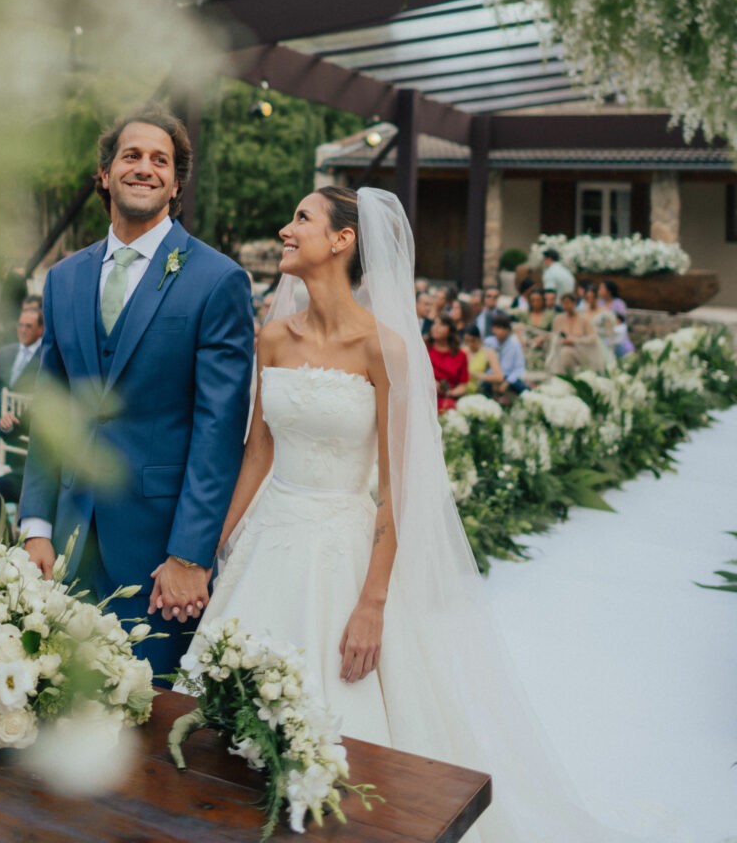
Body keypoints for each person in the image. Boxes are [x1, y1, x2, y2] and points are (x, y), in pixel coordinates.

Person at [196, 186, 637, 843]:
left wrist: (373, 603)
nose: (286, 230)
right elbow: (258, 451)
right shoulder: (275, 337)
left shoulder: (386, 349)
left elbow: (397, 490)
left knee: (346, 739)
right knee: (227, 737)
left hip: (343, 556)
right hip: (265, 546)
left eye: (302, 219)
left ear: (342, 241)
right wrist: (218, 549)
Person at [19, 107, 254, 680]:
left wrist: (190, 555)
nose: (144, 167)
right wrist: (36, 528)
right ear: (105, 174)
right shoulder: (64, 279)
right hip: (67, 547)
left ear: (176, 184)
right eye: (131, 155)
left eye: (160, 160)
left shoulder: (216, 280)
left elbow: (218, 430)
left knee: (149, 724)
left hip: (160, 557)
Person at [0, 297, 45, 524]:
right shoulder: (6, 352)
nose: (22, 331)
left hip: (27, 436)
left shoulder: (46, 358)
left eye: (29, 326)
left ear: (41, 329)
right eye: (20, 325)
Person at [547, 290, 608, 375]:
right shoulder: (558, 319)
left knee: (566, 352)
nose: (565, 306)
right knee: (565, 352)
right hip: (562, 350)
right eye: (563, 303)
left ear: (574, 303)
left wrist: (576, 340)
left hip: (582, 351)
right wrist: (563, 340)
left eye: (568, 303)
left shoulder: (583, 319)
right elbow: (554, 336)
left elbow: (593, 337)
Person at [425, 313, 470, 410]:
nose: (436, 327)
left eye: (441, 324)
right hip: (425, 396)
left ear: (450, 330)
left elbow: (463, 386)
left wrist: (450, 393)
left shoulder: (460, 355)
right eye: (435, 324)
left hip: (447, 398)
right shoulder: (424, 349)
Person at [483, 313, 529, 398]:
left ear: (508, 330)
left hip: (508, 378)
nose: (500, 331)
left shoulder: (515, 344)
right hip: (491, 377)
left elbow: (519, 368)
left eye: (503, 328)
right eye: (497, 328)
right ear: (493, 329)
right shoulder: (488, 342)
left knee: (526, 392)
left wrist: (506, 383)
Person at [513, 286, 556, 367]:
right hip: (528, 345)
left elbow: (554, 332)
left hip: (543, 346)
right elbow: (519, 327)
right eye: (532, 300)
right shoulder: (525, 314)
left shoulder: (550, 315)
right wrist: (522, 339)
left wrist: (543, 338)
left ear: (542, 301)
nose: (535, 303)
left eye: (538, 300)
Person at [463, 325, 501, 394]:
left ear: (479, 339)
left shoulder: (488, 352)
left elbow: (499, 377)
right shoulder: (462, 351)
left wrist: (477, 375)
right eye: (467, 341)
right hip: (461, 389)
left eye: (473, 340)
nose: (470, 344)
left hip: (477, 390)